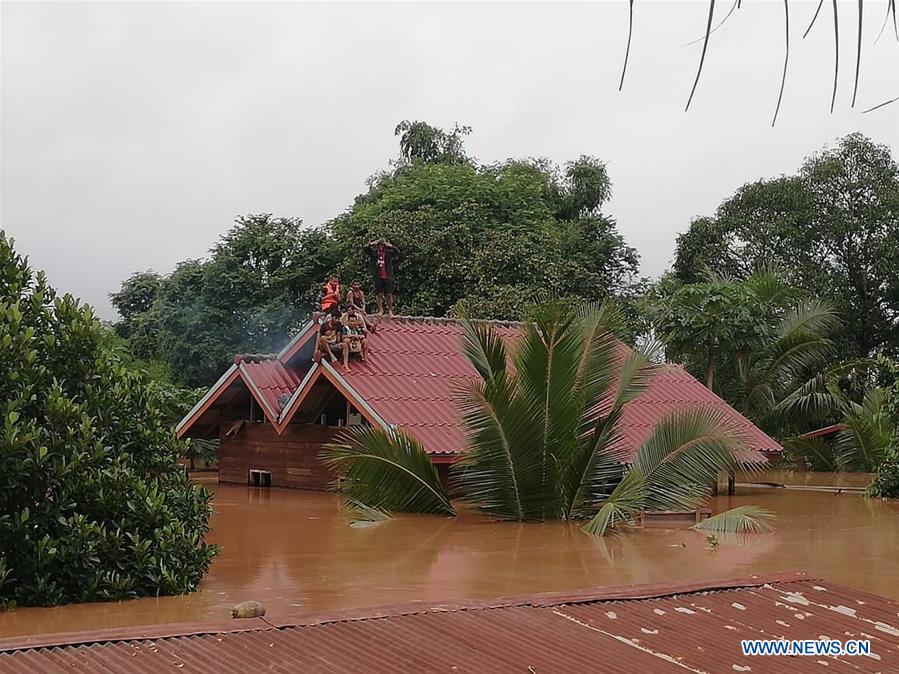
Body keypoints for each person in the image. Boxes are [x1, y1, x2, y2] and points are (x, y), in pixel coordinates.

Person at [364, 238, 400, 317]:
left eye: (382, 245)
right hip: (378, 276)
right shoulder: (374, 253)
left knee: (389, 294)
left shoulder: (388, 253)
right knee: (379, 294)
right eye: (379, 245)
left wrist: (391, 246)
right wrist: (371, 243)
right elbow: (365, 249)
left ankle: (390, 311)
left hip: (387, 276)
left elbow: (397, 252)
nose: (380, 246)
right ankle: (380, 310)